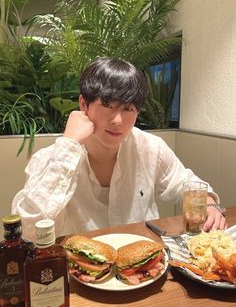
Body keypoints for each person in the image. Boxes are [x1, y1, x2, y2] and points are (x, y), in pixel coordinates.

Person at [12, 57, 227, 241]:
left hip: (145, 266)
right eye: (108, 105)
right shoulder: (52, 158)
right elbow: (28, 232)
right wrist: (68, 146)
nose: (118, 120)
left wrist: (208, 204)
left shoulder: (150, 148)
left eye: (128, 109)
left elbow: (184, 182)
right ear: (83, 105)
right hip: (82, 273)